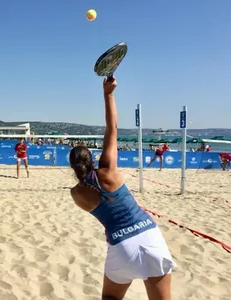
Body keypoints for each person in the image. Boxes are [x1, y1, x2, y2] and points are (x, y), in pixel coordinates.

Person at [69, 77, 175, 300]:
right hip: (148, 235)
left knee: (110, 298)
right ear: (92, 157)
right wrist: (108, 93)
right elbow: (112, 127)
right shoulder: (108, 171)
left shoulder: (76, 194)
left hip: (120, 245)